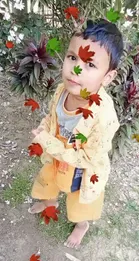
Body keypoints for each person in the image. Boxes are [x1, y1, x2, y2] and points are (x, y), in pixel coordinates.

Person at [28, 19, 123, 248]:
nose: (76, 69)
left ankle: (82, 226)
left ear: (108, 77)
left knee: (80, 204)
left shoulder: (104, 117)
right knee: (50, 181)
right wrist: (45, 128)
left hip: (82, 169)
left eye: (90, 64)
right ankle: (50, 202)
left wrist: (48, 143)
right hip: (57, 155)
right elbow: (53, 116)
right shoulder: (63, 90)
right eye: (72, 58)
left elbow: (88, 157)